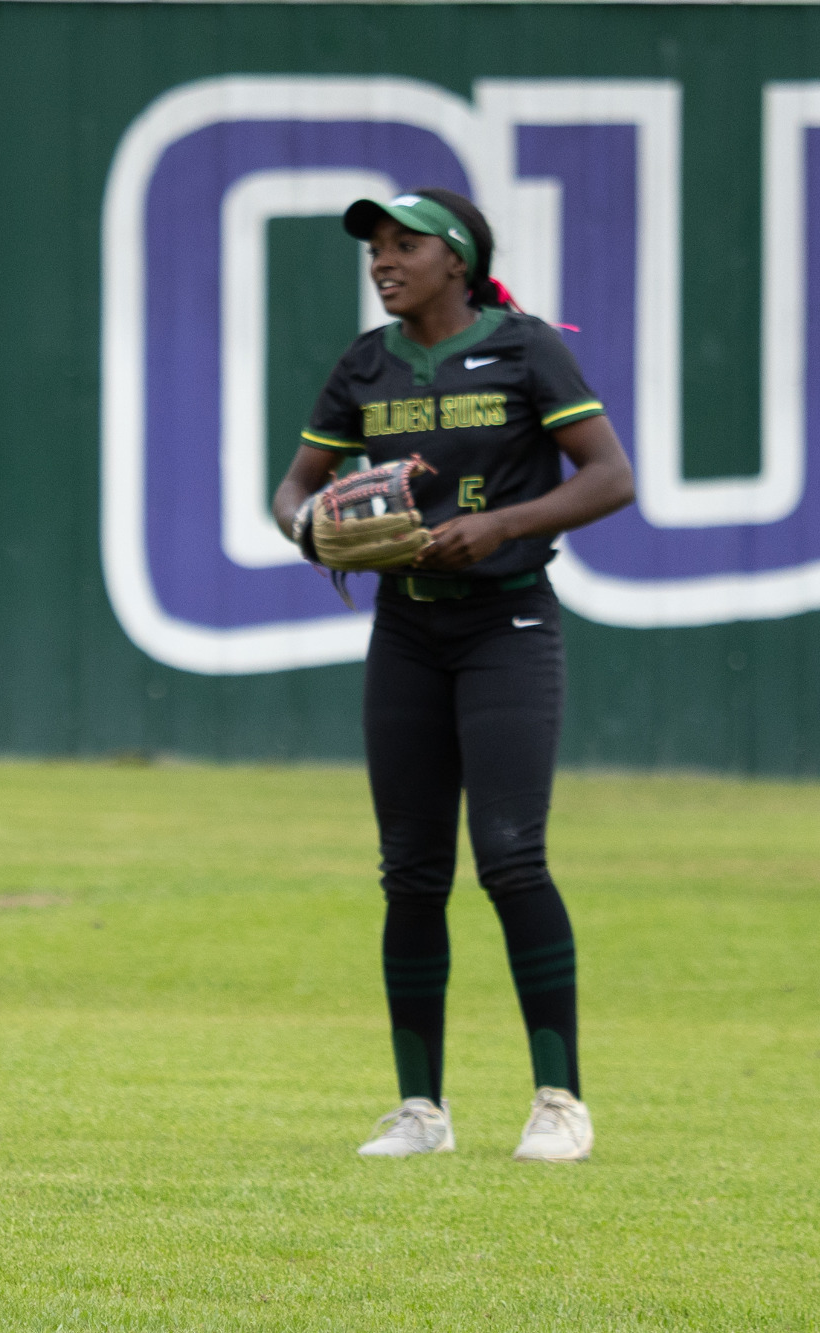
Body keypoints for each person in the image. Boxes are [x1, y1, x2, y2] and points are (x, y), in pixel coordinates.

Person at [272, 189, 635, 1162]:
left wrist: (501, 524)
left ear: (457, 260)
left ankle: (558, 1099)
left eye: (403, 245)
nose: (382, 260)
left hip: (506, 623)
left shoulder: (522, 347)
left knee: (510, 856)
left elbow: (609, 476)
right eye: (374, 248)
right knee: (410, 872)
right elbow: (295, 486)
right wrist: (308, 531)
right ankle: (418, 1110)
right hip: (406, 629)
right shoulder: (365, 362)